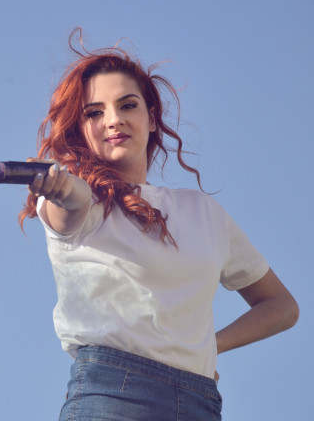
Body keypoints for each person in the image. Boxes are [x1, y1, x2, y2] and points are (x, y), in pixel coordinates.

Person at [20, 32, 299, 421]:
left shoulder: (204, 212)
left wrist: (208, 346)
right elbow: (70, 205)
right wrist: (63, 189)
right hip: (111, 397)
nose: (113, 120)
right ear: (80, 129)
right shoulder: (80, 201)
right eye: (94, 112)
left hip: (200, 402)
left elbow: (282, 306)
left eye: (127, 105)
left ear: (151, 118)